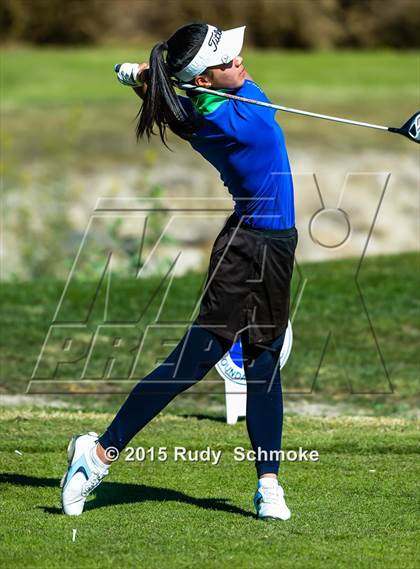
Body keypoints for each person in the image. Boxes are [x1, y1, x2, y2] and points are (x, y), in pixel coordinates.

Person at [60, 23, 298, 521]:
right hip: (248, 247)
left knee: (263, 361)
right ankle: (98, 454)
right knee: (193, 360)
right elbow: (237, 95)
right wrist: (144, 75)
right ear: (205, 82)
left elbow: (163, 86)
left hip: (273, 244)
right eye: (226, 60)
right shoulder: (242, 117)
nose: (240, 60)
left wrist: (142, 76)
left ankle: (268, 484)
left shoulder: (195, 106)